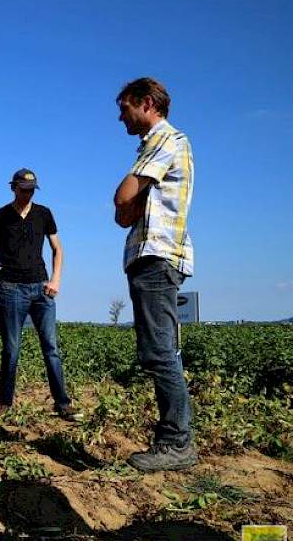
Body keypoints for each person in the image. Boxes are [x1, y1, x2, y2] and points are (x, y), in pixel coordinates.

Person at [113, 77, 197, 472]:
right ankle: (174, 440)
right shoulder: (153, 149)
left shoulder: (166, 140)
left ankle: (176, 444)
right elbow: (123, 213)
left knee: (160, 352)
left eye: (125, 107)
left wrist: (130, 196)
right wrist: (130, 198)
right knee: (157, 351)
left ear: (147, 104)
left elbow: (121, 199)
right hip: (150, 257)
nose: (120, 116)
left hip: (157, 257)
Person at [0, 169, 78, 420]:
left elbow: (58, 249)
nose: (28, 194)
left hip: (42, 288)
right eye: (23, 190)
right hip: (11, 290)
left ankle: (63, 403)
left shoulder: (44, 214)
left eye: (32, 190)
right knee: (11, 349)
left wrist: (55, 279)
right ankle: (5, 401)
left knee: (51, 348)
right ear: (13, 188)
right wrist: (3, 280)